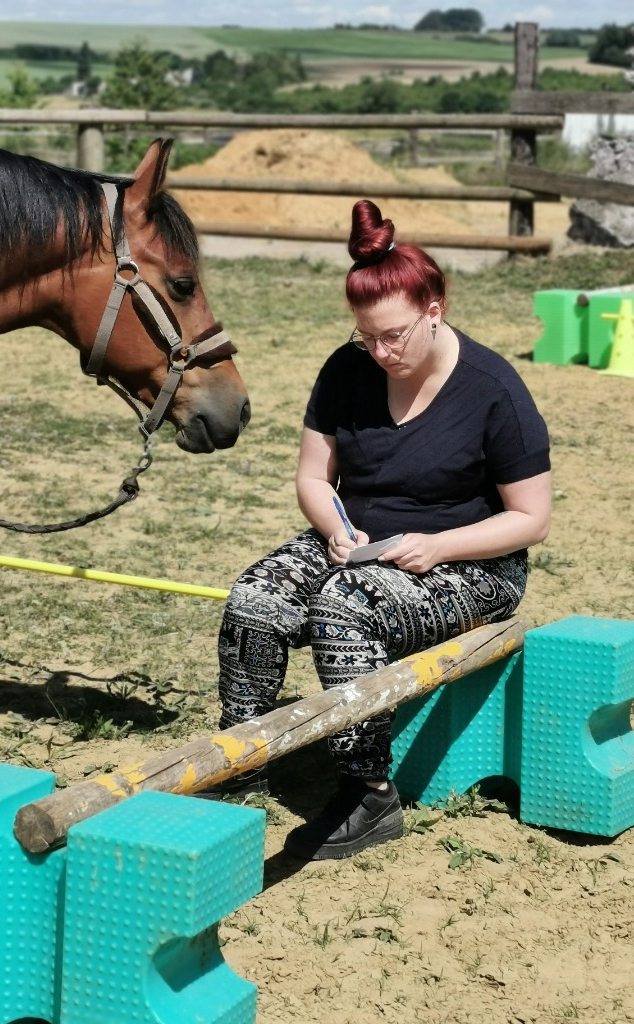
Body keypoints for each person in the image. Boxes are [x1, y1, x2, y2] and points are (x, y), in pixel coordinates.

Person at [206, 199, 551, 862]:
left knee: (345, 606)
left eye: (394, 334)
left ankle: (369, 794)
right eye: (367, 336)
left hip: (474, 565)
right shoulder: (347, 368)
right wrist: (335, 528)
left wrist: (439, 546)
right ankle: (238, 768)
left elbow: (531, 518)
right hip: (364, 541)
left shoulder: (493, 389)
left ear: (434, 308)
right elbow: (314, 477)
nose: (380, 350)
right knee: (255, 598)